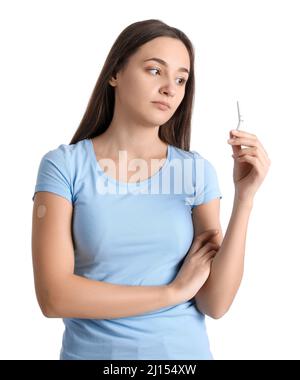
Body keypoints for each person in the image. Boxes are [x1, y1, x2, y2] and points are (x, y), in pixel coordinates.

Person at [31, 19, 271, 360]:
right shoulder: (64, 166)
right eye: (155, 71)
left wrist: (245, 198)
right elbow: (54, 297)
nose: (170, 88)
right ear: (115, 73)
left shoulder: (195, 172)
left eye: (181, 79)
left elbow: (215, 303)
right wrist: (172, 293)